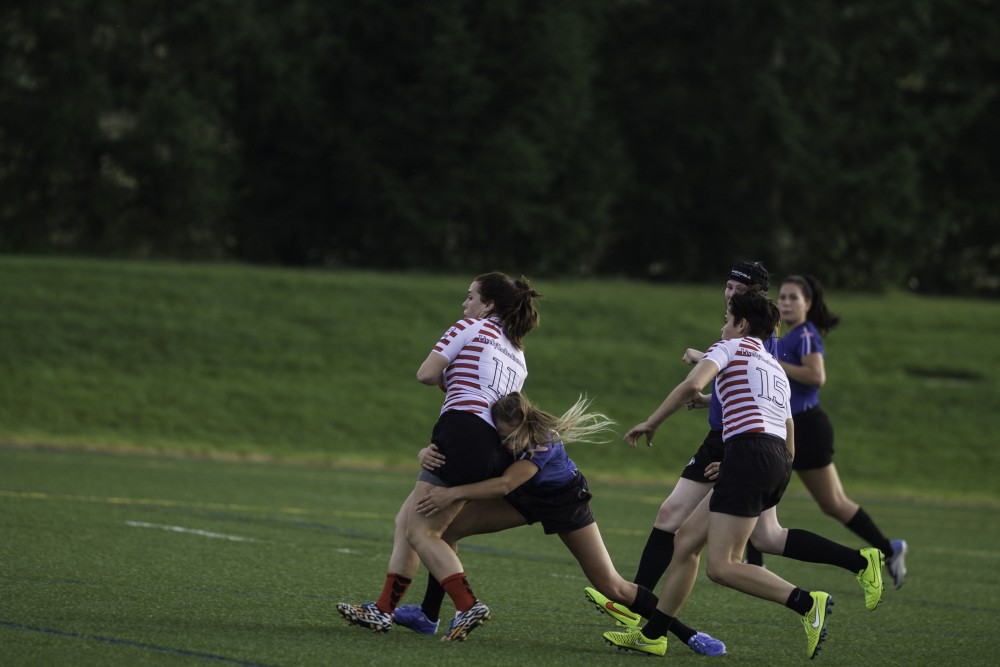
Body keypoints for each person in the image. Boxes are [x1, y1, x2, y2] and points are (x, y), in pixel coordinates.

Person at [587, 261, 883, 631]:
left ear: (753, 298)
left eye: (737, 290)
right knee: (718, 533)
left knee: (723, 553)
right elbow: (761, 393)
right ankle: (649, 619)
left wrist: (665, 414)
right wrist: (713, 400)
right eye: (727, 287)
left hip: (740, 444)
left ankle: (810, 598)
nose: (729, 295)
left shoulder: (747, 338)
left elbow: (748, 392)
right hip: (755, 446)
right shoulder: (750, 340)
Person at [394, 392, 728, 656]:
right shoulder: (504, 430)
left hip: (565, 502)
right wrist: (426, 452)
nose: (506, 443)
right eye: (502, 436)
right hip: (525, 497)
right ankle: (428, 615)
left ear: (524, 425)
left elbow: (504, 485)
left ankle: (688, 633)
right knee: (448, 531)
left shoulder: (542, 442)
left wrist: (449, 494)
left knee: (612, 586)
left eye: (510, 437)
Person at [337, 272, 542, 642]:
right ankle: (383, 610)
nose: (465, 305)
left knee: (422, 531)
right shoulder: (519, 354)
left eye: (470, 297)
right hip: (492, 446)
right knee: (407, 520)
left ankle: (467, 604)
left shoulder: (468, 326)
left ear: (488, 305)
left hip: (462, 432)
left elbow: (426, 375)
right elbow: (496, 403)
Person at [743, 275, 908, 587]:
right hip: (785, 425)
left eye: (795, 298)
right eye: (785, 297)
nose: (788, 303)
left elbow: (816, 376)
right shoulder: (784, 337)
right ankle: (755, 559)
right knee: (759, 483)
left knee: (832, 502)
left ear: (808, 304)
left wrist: (772, 361)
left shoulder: (805, 334)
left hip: (807, 427)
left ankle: (887, 549)